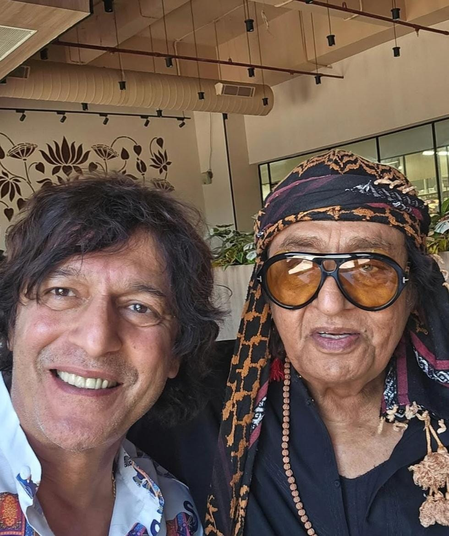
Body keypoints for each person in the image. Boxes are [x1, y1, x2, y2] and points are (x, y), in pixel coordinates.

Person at [205, 150, 449, 535]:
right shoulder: (204, 404)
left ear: (412, 293)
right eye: (297, 268)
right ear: (265, 294)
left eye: (369, 268)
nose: (332, 305)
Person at [0, 175, 221, 536]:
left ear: (175, 354)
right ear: (11, 323)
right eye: (62, 291)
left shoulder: (178, 514)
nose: (96, 340)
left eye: (140, 307)